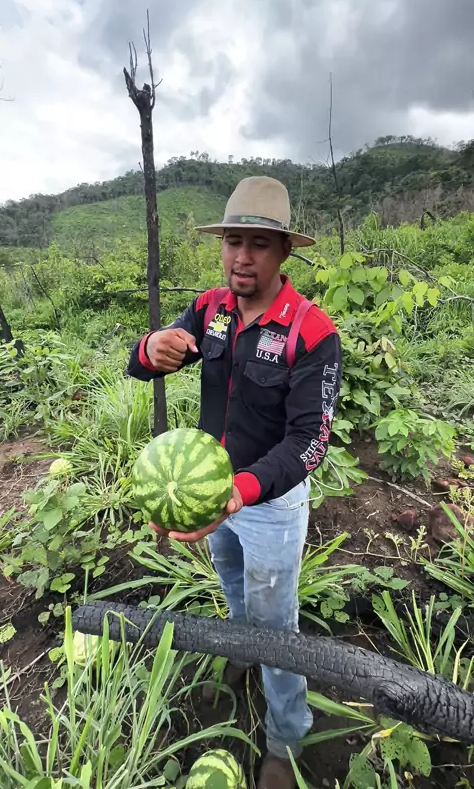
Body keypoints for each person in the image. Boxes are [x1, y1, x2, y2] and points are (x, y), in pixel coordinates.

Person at [127, 175, 342, 789]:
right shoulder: (210, 310)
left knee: (278, 622)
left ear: (285, 251)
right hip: (211, 494)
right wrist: (152, 347)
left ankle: (286, 737)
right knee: (233, 587)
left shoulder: (311, 332)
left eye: (259, 244)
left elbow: (310, 442)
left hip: (267, 502)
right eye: (232, 242)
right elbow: (146, 364)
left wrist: (239, 493)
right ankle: (242, 651)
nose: (242, 257)